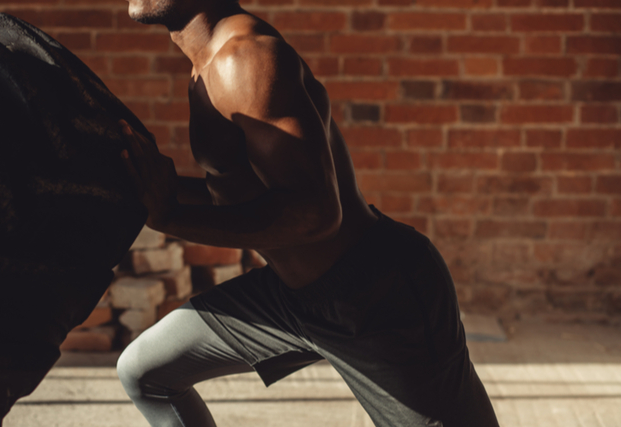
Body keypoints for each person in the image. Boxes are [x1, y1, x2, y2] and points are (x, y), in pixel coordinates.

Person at [115, 0, 500, 426]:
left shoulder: (243, 58)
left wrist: (171, 217)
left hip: (374, 295)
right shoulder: (206, 63)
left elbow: (315, 213)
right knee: (145, 371)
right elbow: (244, 189)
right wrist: (154, 190)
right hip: (290, 298)